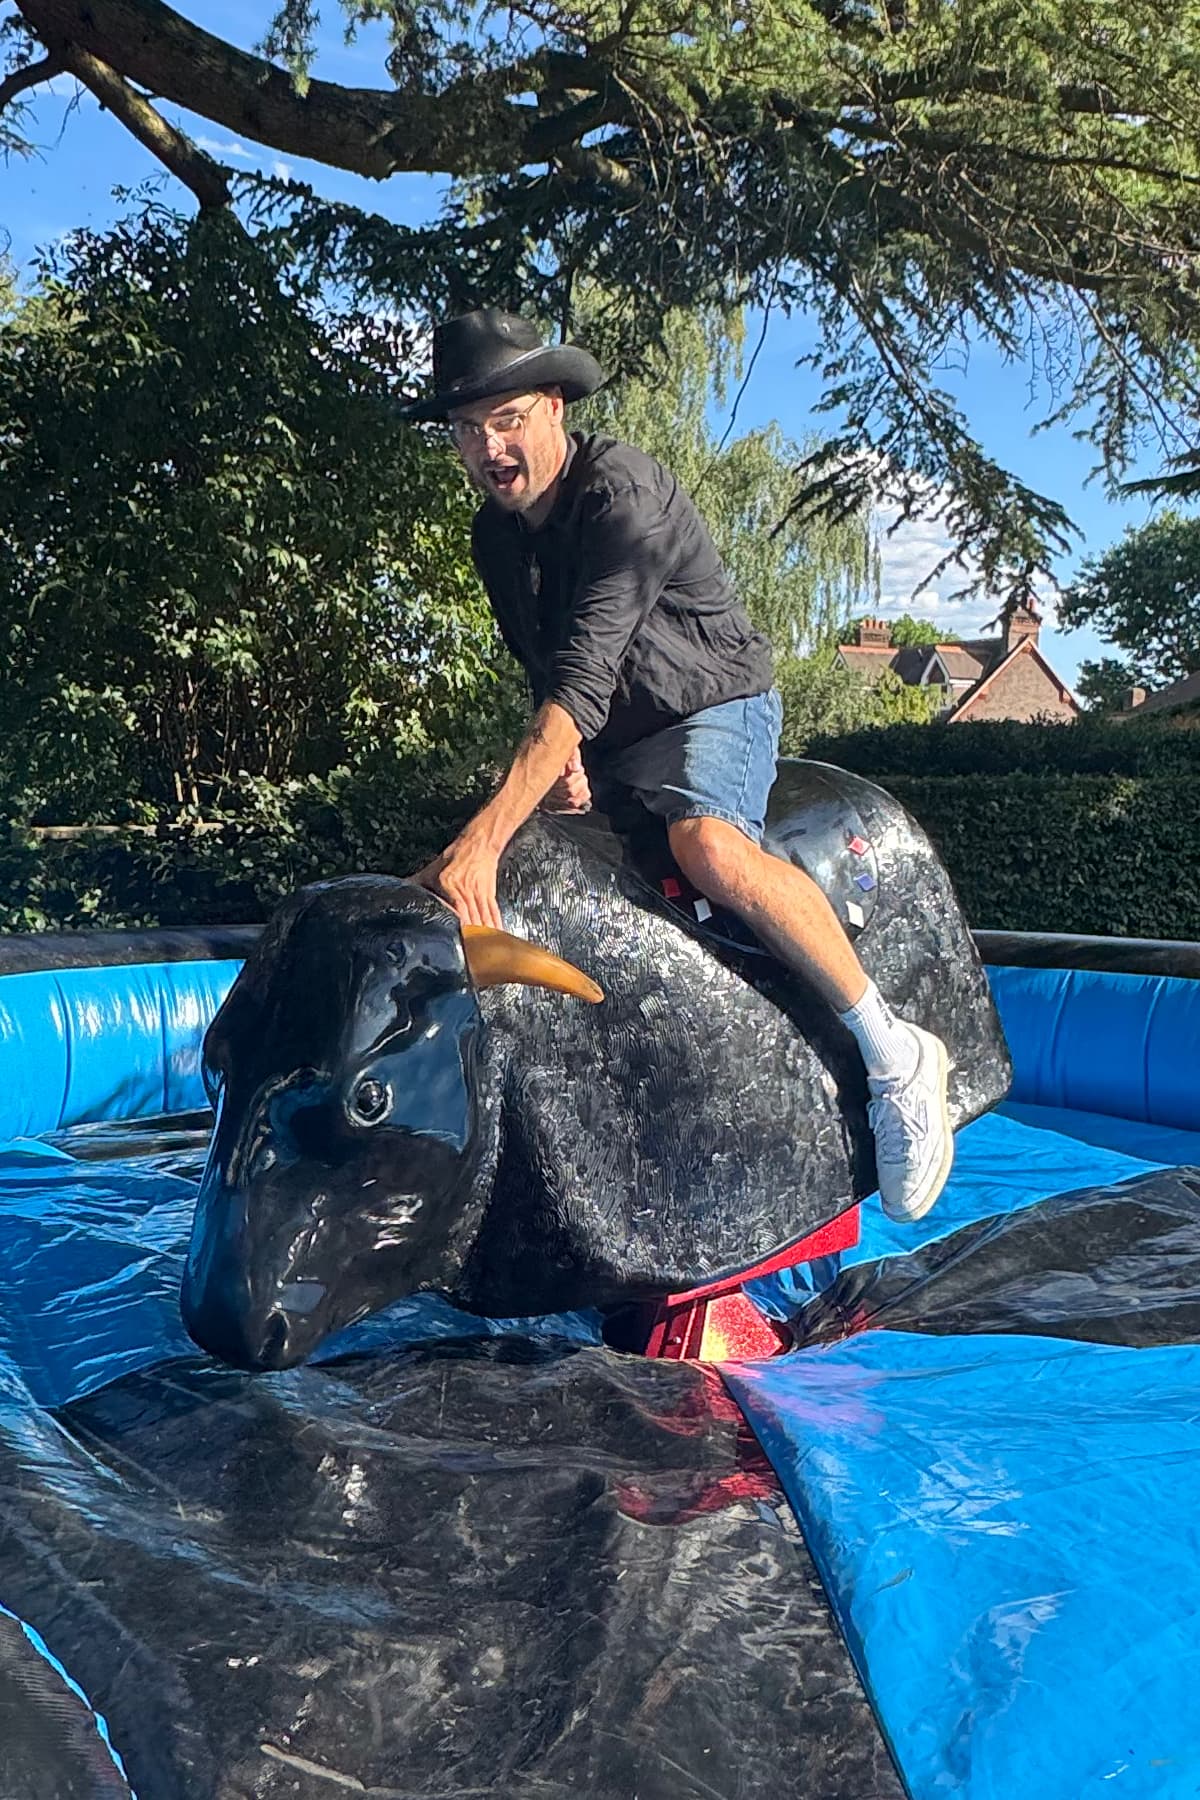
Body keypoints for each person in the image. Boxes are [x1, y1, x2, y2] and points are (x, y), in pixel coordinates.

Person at [401, 308, 953, 1223]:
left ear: (553, 408)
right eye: (466, 430)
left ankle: (895, 1053)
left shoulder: (624, 492)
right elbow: (551, 671)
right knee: (538, 870)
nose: (487, 446)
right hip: (615, 731)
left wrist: (485, 834)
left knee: (707, 848)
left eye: (505, 420)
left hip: (712, 703)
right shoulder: (493, 539)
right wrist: (564, 771)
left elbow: (579, 681)